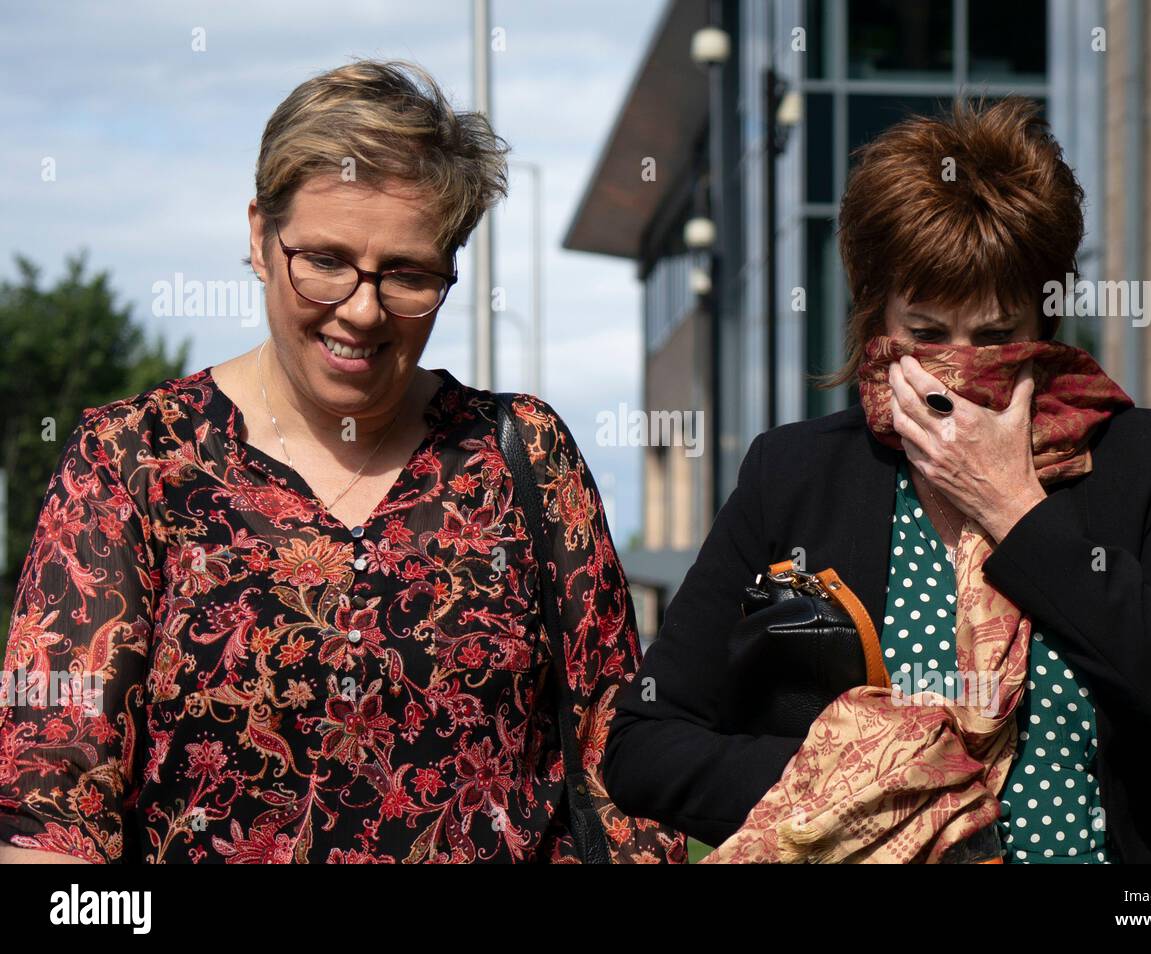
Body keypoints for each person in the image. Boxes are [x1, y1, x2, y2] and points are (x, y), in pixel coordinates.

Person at [0, 60, 684, 864]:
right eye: (325, 260)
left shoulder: (525, 455)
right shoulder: (134, 461)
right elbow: (51, 802)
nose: (362, 310)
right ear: (260, 236)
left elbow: (619, 769)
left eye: (406, 274)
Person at [603, 97, 1151, 864]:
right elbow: (645, 742)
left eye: (994, 337)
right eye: (925, 335)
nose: (957, 367)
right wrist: (857, 787)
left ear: (1043, 327)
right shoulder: (793, 476)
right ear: (874, 318)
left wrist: (1016, 510)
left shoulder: (1145, 460)